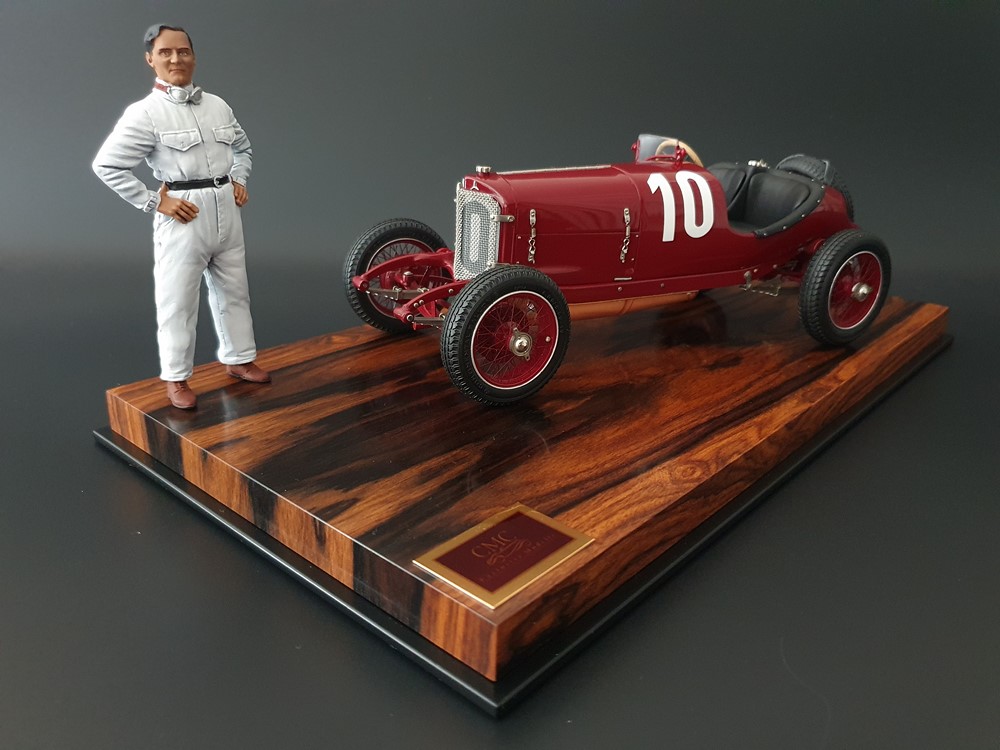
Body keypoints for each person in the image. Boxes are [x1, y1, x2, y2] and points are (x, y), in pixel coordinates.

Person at [93, 24, 270, 409]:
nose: (176, 59)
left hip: (226, 211)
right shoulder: (145, 113)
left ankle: (240, 358)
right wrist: (154, 202)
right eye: (166, 52)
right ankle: (176, 377)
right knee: (177, 300)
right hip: (184, 215)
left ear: (193, 56)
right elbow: (107, 165)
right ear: (150, 59)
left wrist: (239, 178)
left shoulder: (217, 105)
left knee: (235, 291)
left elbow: (242, 148)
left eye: (183, 51)